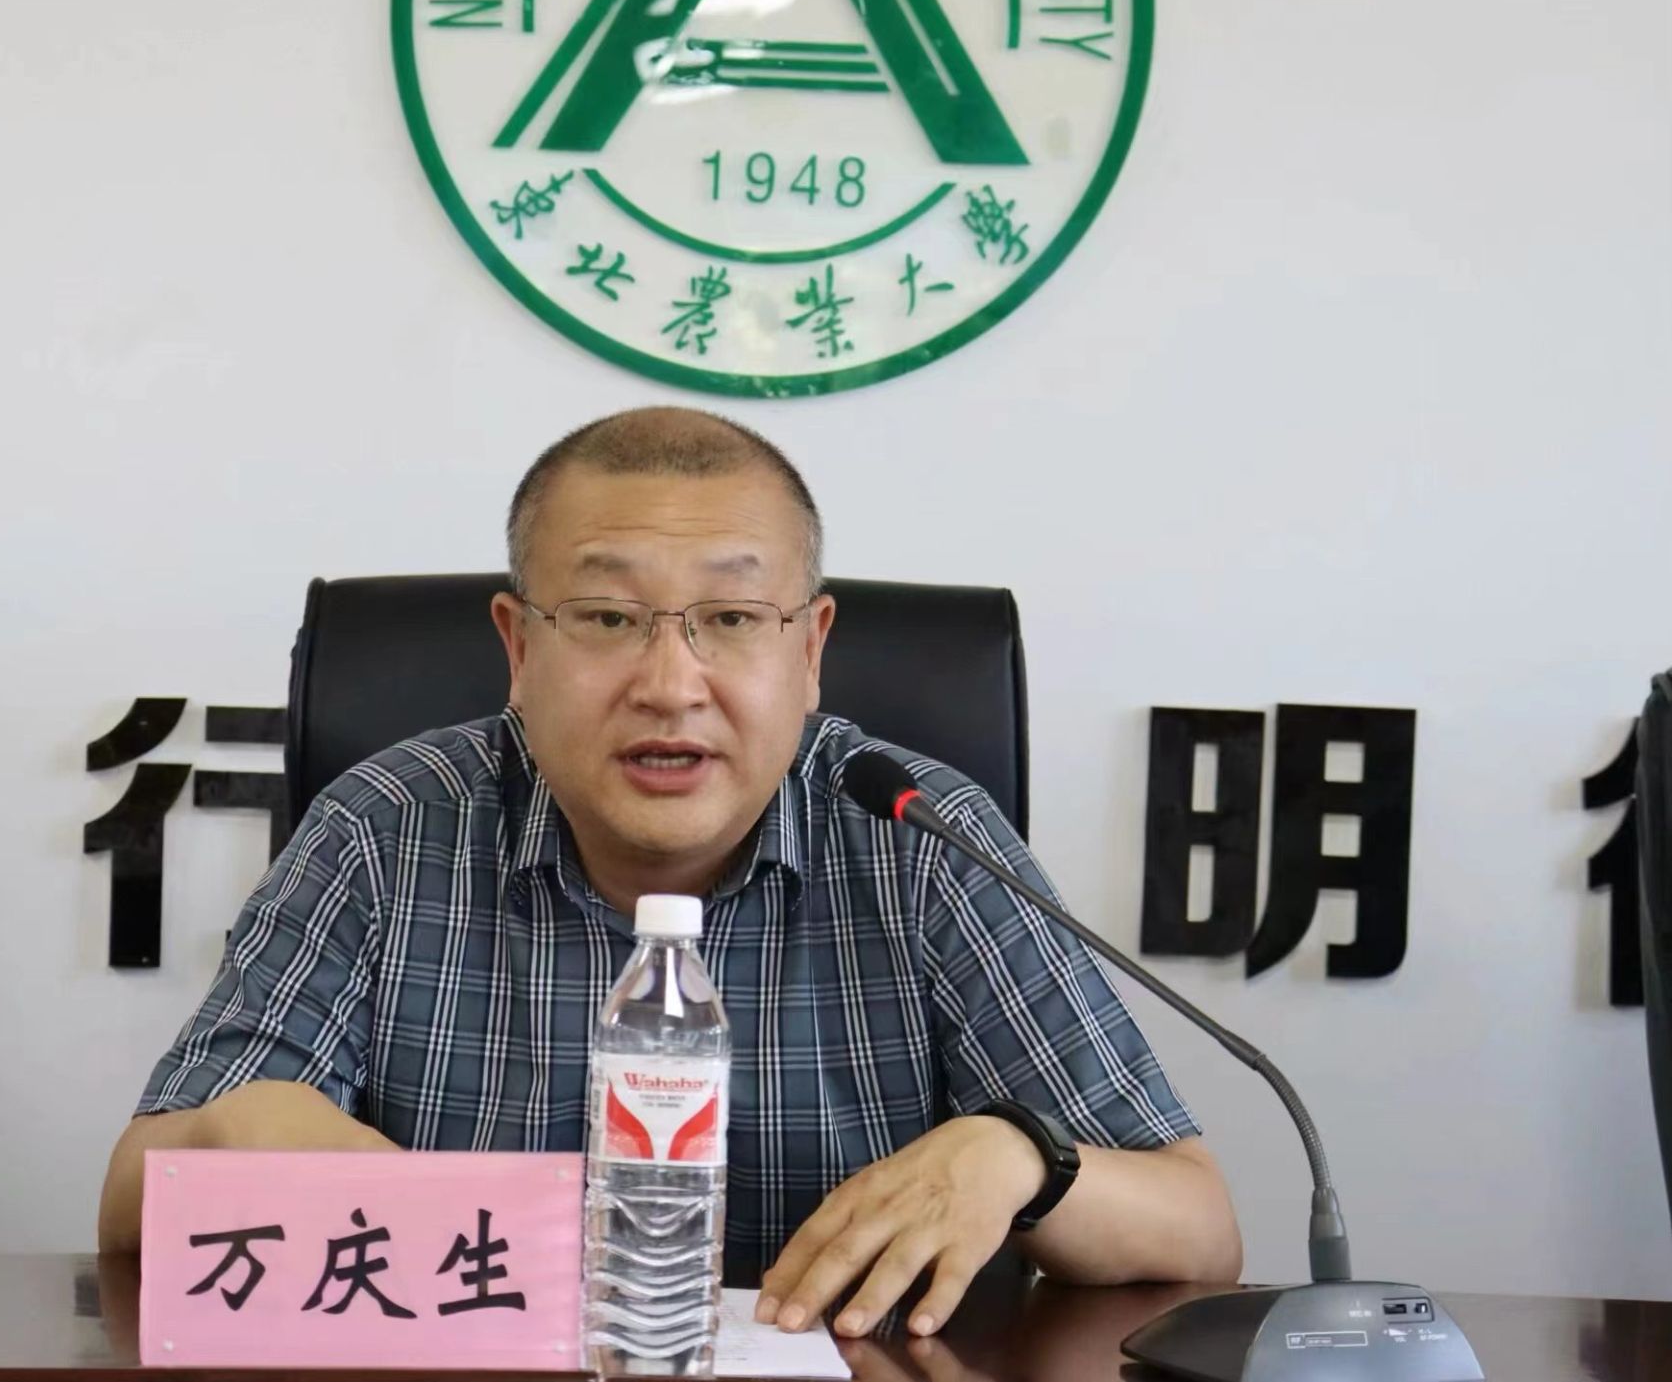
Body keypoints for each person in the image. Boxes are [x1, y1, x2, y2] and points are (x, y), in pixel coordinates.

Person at [99, 407, 1242, 1338]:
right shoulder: (384, 832)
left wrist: (1022, 1158)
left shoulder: (918, 842)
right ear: (517, 646)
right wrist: (238, 1138)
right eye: (607, 616)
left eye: (730, 617)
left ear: (809, 650)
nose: (669, 682)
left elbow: (1196, 1227)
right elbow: (133, 1200)